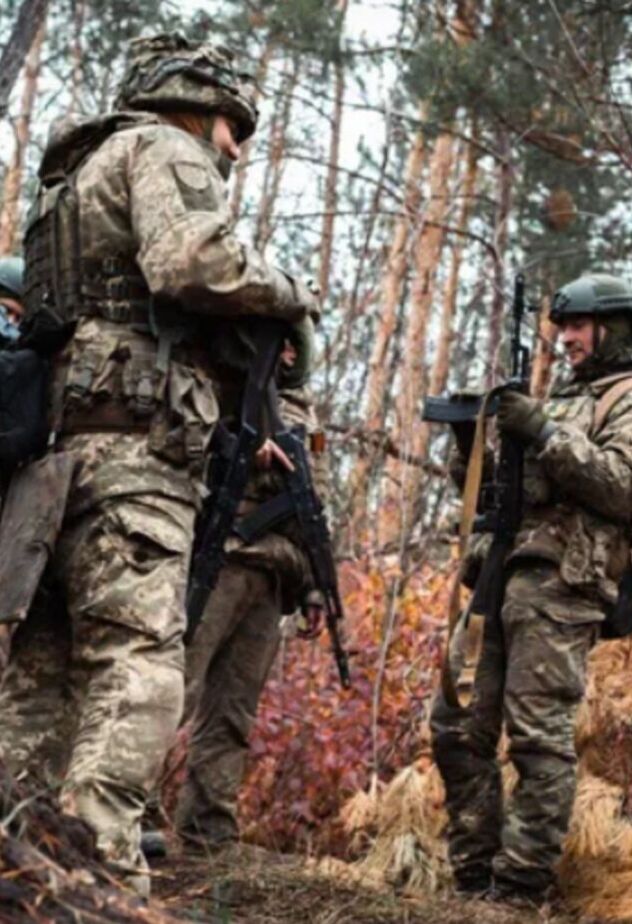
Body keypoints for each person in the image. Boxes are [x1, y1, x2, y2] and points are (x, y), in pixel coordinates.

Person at [0, 34, 316, 895]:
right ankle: (96, 874)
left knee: (43, 673)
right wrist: (292, 292)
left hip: (59, 460)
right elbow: (192, 262)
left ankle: (17, 864)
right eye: (233, 127)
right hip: (136, 458)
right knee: (138, 662)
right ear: (198, 107)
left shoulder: (77, 175)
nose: (236, 150)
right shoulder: (166, 149)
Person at [429, 272, 632, 905]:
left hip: (562, 586)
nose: (565, 338)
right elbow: (491, 495)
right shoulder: (559, 402)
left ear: (612, 329)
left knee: (537, 738)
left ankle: (518, 888)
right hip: (498, 575)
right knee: (455, 725)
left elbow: (623, 484)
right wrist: (470, 441)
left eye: (577, 326)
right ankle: (474, 878)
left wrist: (542, 431)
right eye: (561, 327)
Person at [172, 340, 322, 853]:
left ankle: (207, 830)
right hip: (220, 558)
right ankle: (130, 816)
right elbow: (186, 439)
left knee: (233, 712)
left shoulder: (302, 409)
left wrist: (316, 585)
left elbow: (313, 499)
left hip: (276, 571)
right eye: (281, 341)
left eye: (295, 343)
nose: (289, 352)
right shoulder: (224, 375)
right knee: (172, 689)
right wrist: (239, 443)